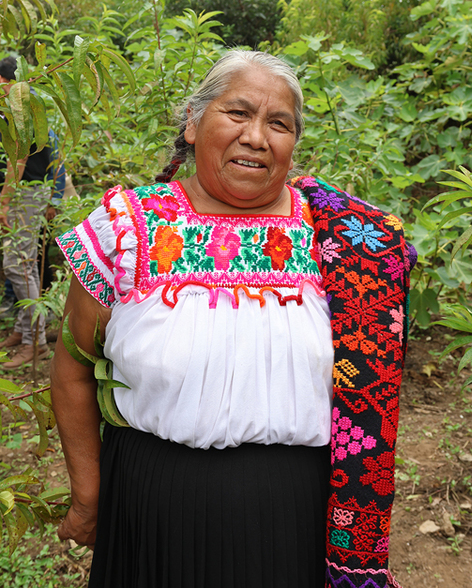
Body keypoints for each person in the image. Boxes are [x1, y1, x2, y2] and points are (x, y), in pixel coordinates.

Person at [51, 50, 413, 588]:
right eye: (238, 113)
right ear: (194, 122)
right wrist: (88, 495)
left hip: (291, 515)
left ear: (294, 142)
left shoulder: (342, 241)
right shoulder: (128, 227)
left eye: (279, 123)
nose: (256, 137)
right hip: (151, 504)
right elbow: (73, 367)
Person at [0, 55, 65, 368]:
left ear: (7, 82)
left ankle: (36, 342)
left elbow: (19, 159)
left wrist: (5, 199)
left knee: (20, 264)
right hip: (29, 191)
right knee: (17, 263)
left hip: (27, 192)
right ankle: (23, 331)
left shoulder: (19, 109)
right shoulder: (29, 106)